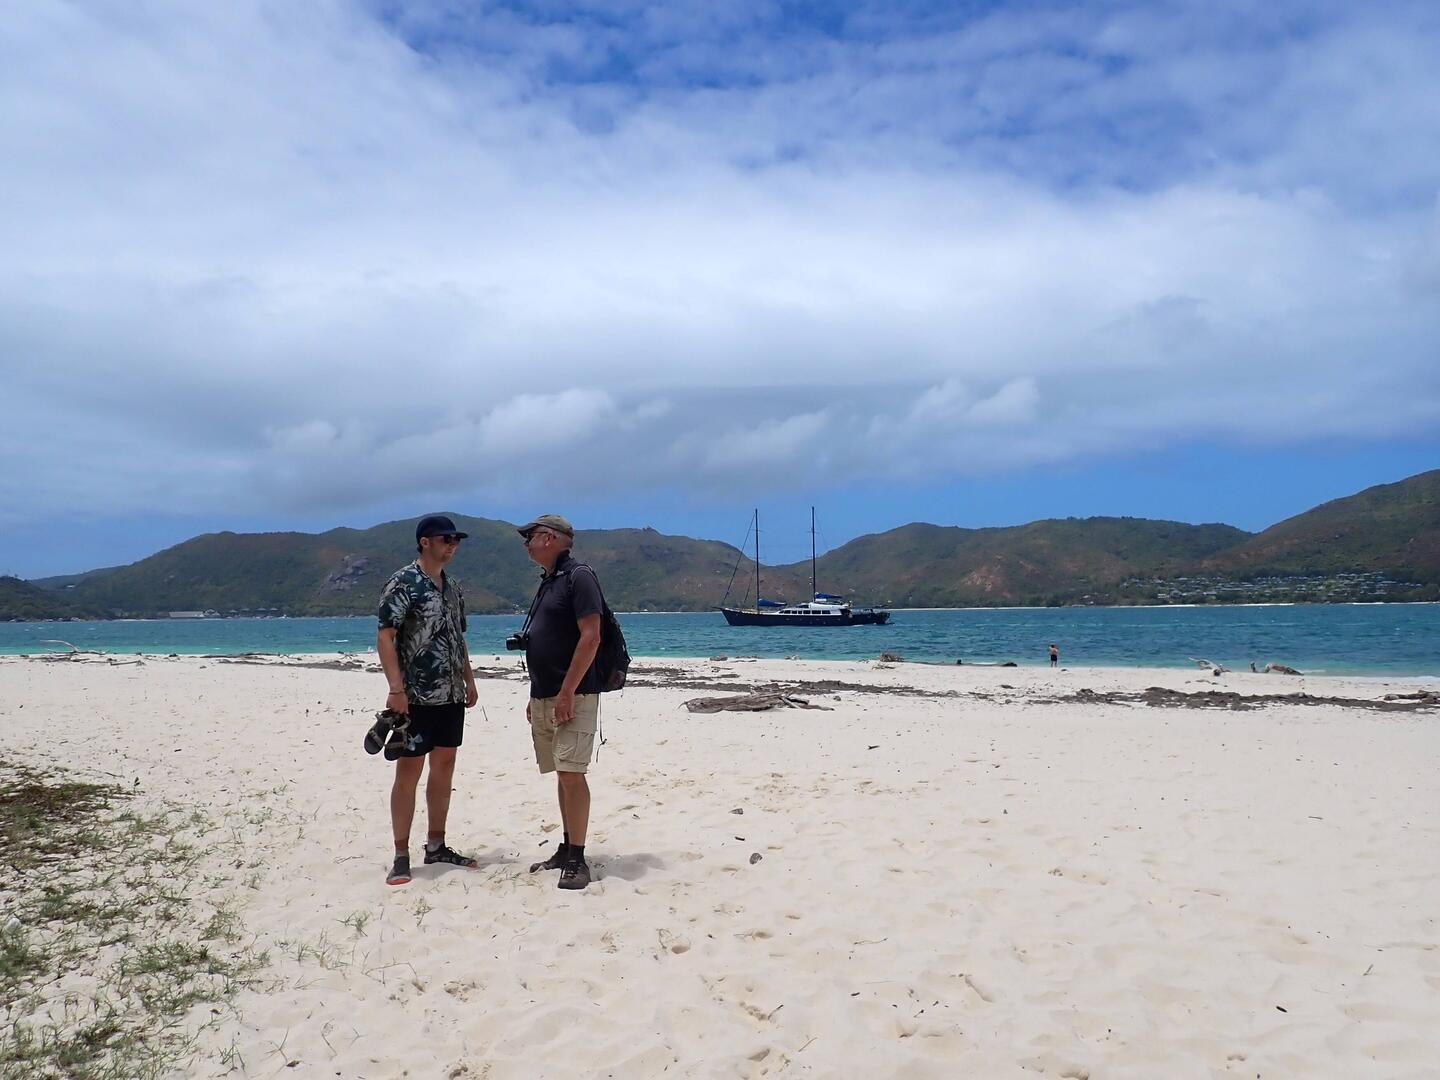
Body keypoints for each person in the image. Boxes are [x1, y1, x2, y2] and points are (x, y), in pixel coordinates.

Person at [375, 514, 480, 886]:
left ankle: (436, 845)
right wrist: (396, 689)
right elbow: (386, 636)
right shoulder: (403, 582)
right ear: (425, 542)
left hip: (450, 693)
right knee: (409, 772)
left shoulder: (452, 587)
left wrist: (469, 679)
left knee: (445, 766)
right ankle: (401, 854)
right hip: (416, 696)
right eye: (446, 539)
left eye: (456, 540)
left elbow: (457, 637)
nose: (453, 546)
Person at [517, 514, 603, 890]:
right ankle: (567, 848)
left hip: (574, 693)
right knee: (561, 771)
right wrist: (535, 693)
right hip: (546, 694)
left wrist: (567, 691)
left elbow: (591, 636)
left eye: (530, 536)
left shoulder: (578, 576)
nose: (526, 543)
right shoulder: (550, 580)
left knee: (571, 772)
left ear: (549, 538)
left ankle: (578, 859)